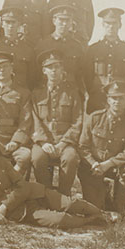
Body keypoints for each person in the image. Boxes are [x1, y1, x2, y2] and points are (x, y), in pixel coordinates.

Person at [0, 133, 108, 228]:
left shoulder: (2, 162)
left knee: (70, 203)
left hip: (36, 193)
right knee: (60, 220)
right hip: (23, 211)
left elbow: (22, 185)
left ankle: (103, 214)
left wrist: (3, 207)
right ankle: (93, 220)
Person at [78, 81, 125, 217]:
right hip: (93, 167)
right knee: (95, 210)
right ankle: (103, 191)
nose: (117, 102)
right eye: (114, 98)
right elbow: (82, 147)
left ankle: (119, 204)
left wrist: (108, 164)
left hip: (114, 167)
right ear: (108, 100)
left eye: (121, 98)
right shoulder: (94, 118)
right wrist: (94, 163)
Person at [30, 49, 84, 195]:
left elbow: (78, 121)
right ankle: (45, 194)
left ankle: (64, 195)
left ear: (62, 69)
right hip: (44, 142)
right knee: (37, 157)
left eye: (57, 67)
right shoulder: (36, 94)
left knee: (70, 158)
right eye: (50, 67)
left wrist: (63, 143)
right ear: (44, 71)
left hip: (64, 142)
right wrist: (43, 142)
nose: (54, 71)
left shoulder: (72, 92)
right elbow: (34, 120)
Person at [82, 7, 125, 111]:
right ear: (103, 25)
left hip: (121, 100)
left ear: (119, 25)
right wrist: (94, 92)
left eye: (114, 23)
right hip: (98, 98)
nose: (111, 27)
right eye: (107, 23)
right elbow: (87, 76)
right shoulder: (93, 49)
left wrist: (124, 96)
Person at [34, 4, 84, 88]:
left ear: (71, 22)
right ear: (54, 21)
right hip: (48, 90)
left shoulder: (77, 46)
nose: (64, 23)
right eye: (61, 20)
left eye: (67, 20)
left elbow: (80, 74)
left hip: (71, 91)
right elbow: (36, 73)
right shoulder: (43, 45)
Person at [0, 4, 36, 90]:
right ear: (2, 24)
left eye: (13, 22)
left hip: (22, 95)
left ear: (19, 24)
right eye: (7, 22)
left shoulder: (28, 49)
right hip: (0, 95)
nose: (10, 26)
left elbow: (32, 78)